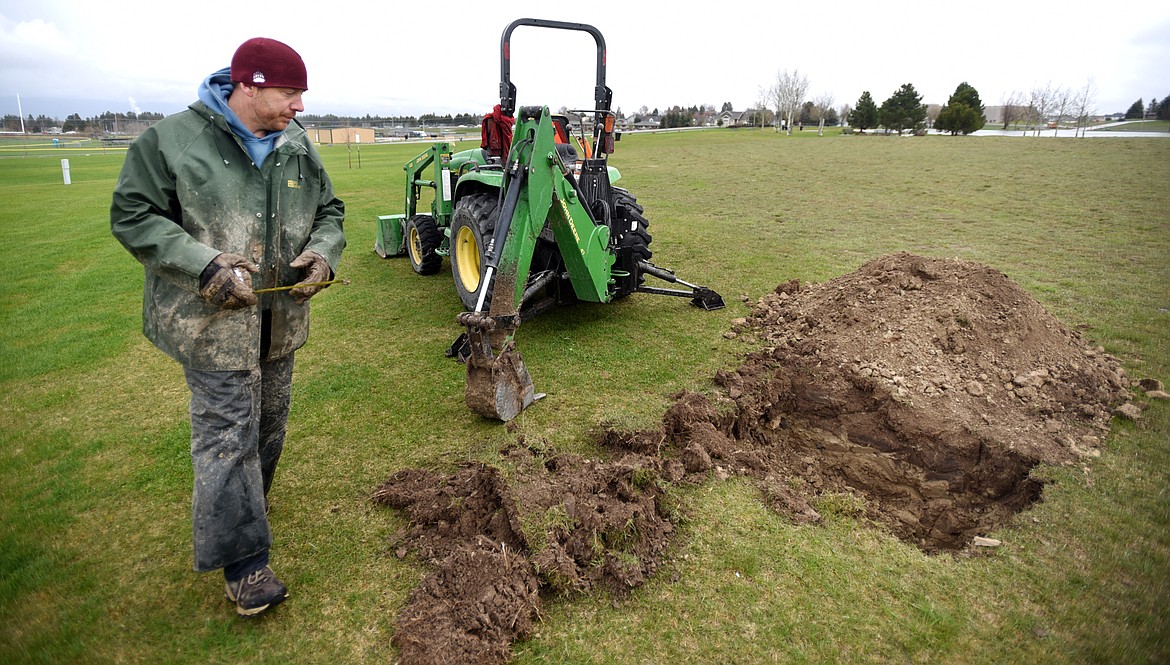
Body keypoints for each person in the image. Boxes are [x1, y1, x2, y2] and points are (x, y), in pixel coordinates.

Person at [110, 37, 346, 617]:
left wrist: (324, 253)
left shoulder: (295, 144)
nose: (299, 106)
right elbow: (133, 215)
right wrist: (204, 263)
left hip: (280, 321)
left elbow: (330, 211)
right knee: (226, 436)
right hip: (210, 325)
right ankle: (245, 567)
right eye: (290, 93)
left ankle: (247, 507)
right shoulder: (170, 142)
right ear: (250, 85)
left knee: (267, 424)